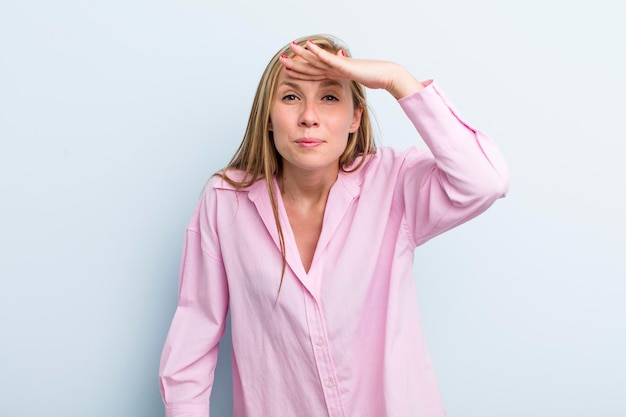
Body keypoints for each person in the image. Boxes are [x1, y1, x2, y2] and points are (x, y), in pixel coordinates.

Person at [158, 34, 510, 417]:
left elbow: (485, 181)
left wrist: (396, 79)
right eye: (291, 97)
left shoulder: (393, 183)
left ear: (354, 118)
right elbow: (192, 341)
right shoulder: (225, 201)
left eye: (329, 97)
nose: (309, 116)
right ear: (269, 118)